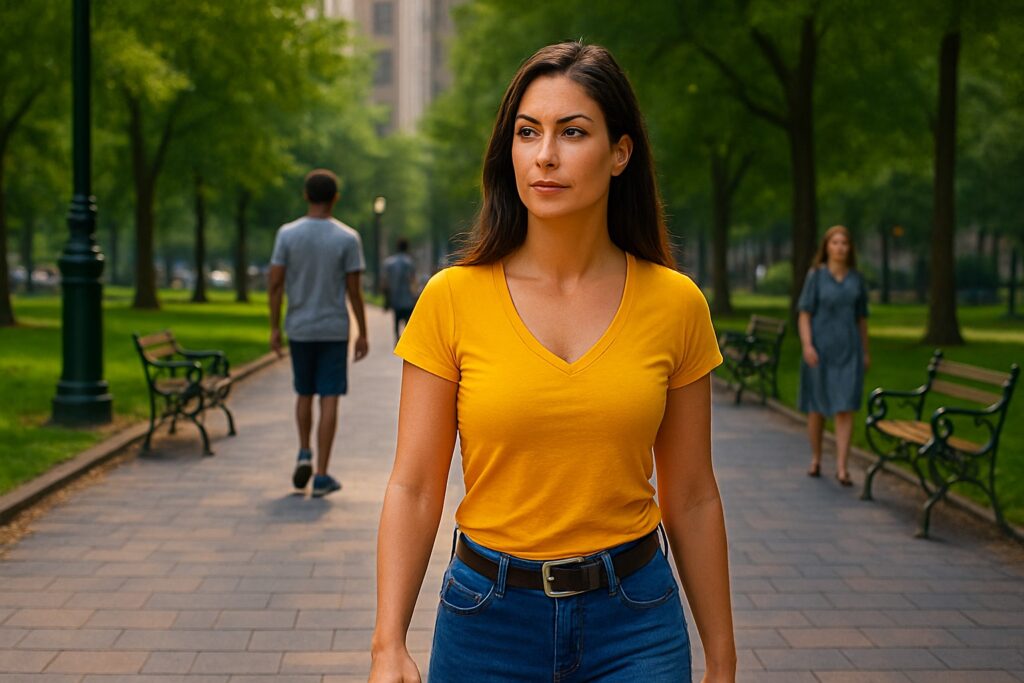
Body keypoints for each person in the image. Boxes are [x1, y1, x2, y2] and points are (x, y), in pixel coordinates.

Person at [371, 42, 736, 683]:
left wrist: (723, 657)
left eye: (572, 132)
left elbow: (693, 494)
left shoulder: (677, 304)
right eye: (527, 132)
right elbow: (415, 485)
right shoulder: (450, 298)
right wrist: (387, 643)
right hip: (486, 619)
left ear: (620, 152)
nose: (545, 155)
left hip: (637, 622)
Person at [268, 169, 369, 498]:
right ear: (335, 198)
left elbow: (274, 284)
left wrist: (274, 327)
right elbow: (354, 291)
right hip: (333, 328)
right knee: (329, 397)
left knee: (304, 392)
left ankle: (303, 451)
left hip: (300, 327)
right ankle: (322, 474)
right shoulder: (347, 238)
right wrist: (362, 332)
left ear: (306, 195)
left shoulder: (287, 234)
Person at [798, 224, 870, 486]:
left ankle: (842, 467)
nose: (840, 247)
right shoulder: (815, 276)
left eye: (844, 243)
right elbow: (804, 314)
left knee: (845, 408)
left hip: (849, 351)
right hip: (820, 350)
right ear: (826, 247)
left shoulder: (856, 279)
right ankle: (816, 458)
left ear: (850, 248)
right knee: (817, 408)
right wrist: (807, 345)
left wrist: (865, 350)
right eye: (835, 242)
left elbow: (861, 319)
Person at [381, 238, 417, 344]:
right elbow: (413, 280)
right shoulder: (410, 262)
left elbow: (385, 282)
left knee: (396, 320)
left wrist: (386, 298)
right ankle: (406, 341)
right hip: (408, 298)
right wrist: (415, 295)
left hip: (395, 297)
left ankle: (397, 338)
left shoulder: (389, 263)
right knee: (407, 321)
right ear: (407, 248)